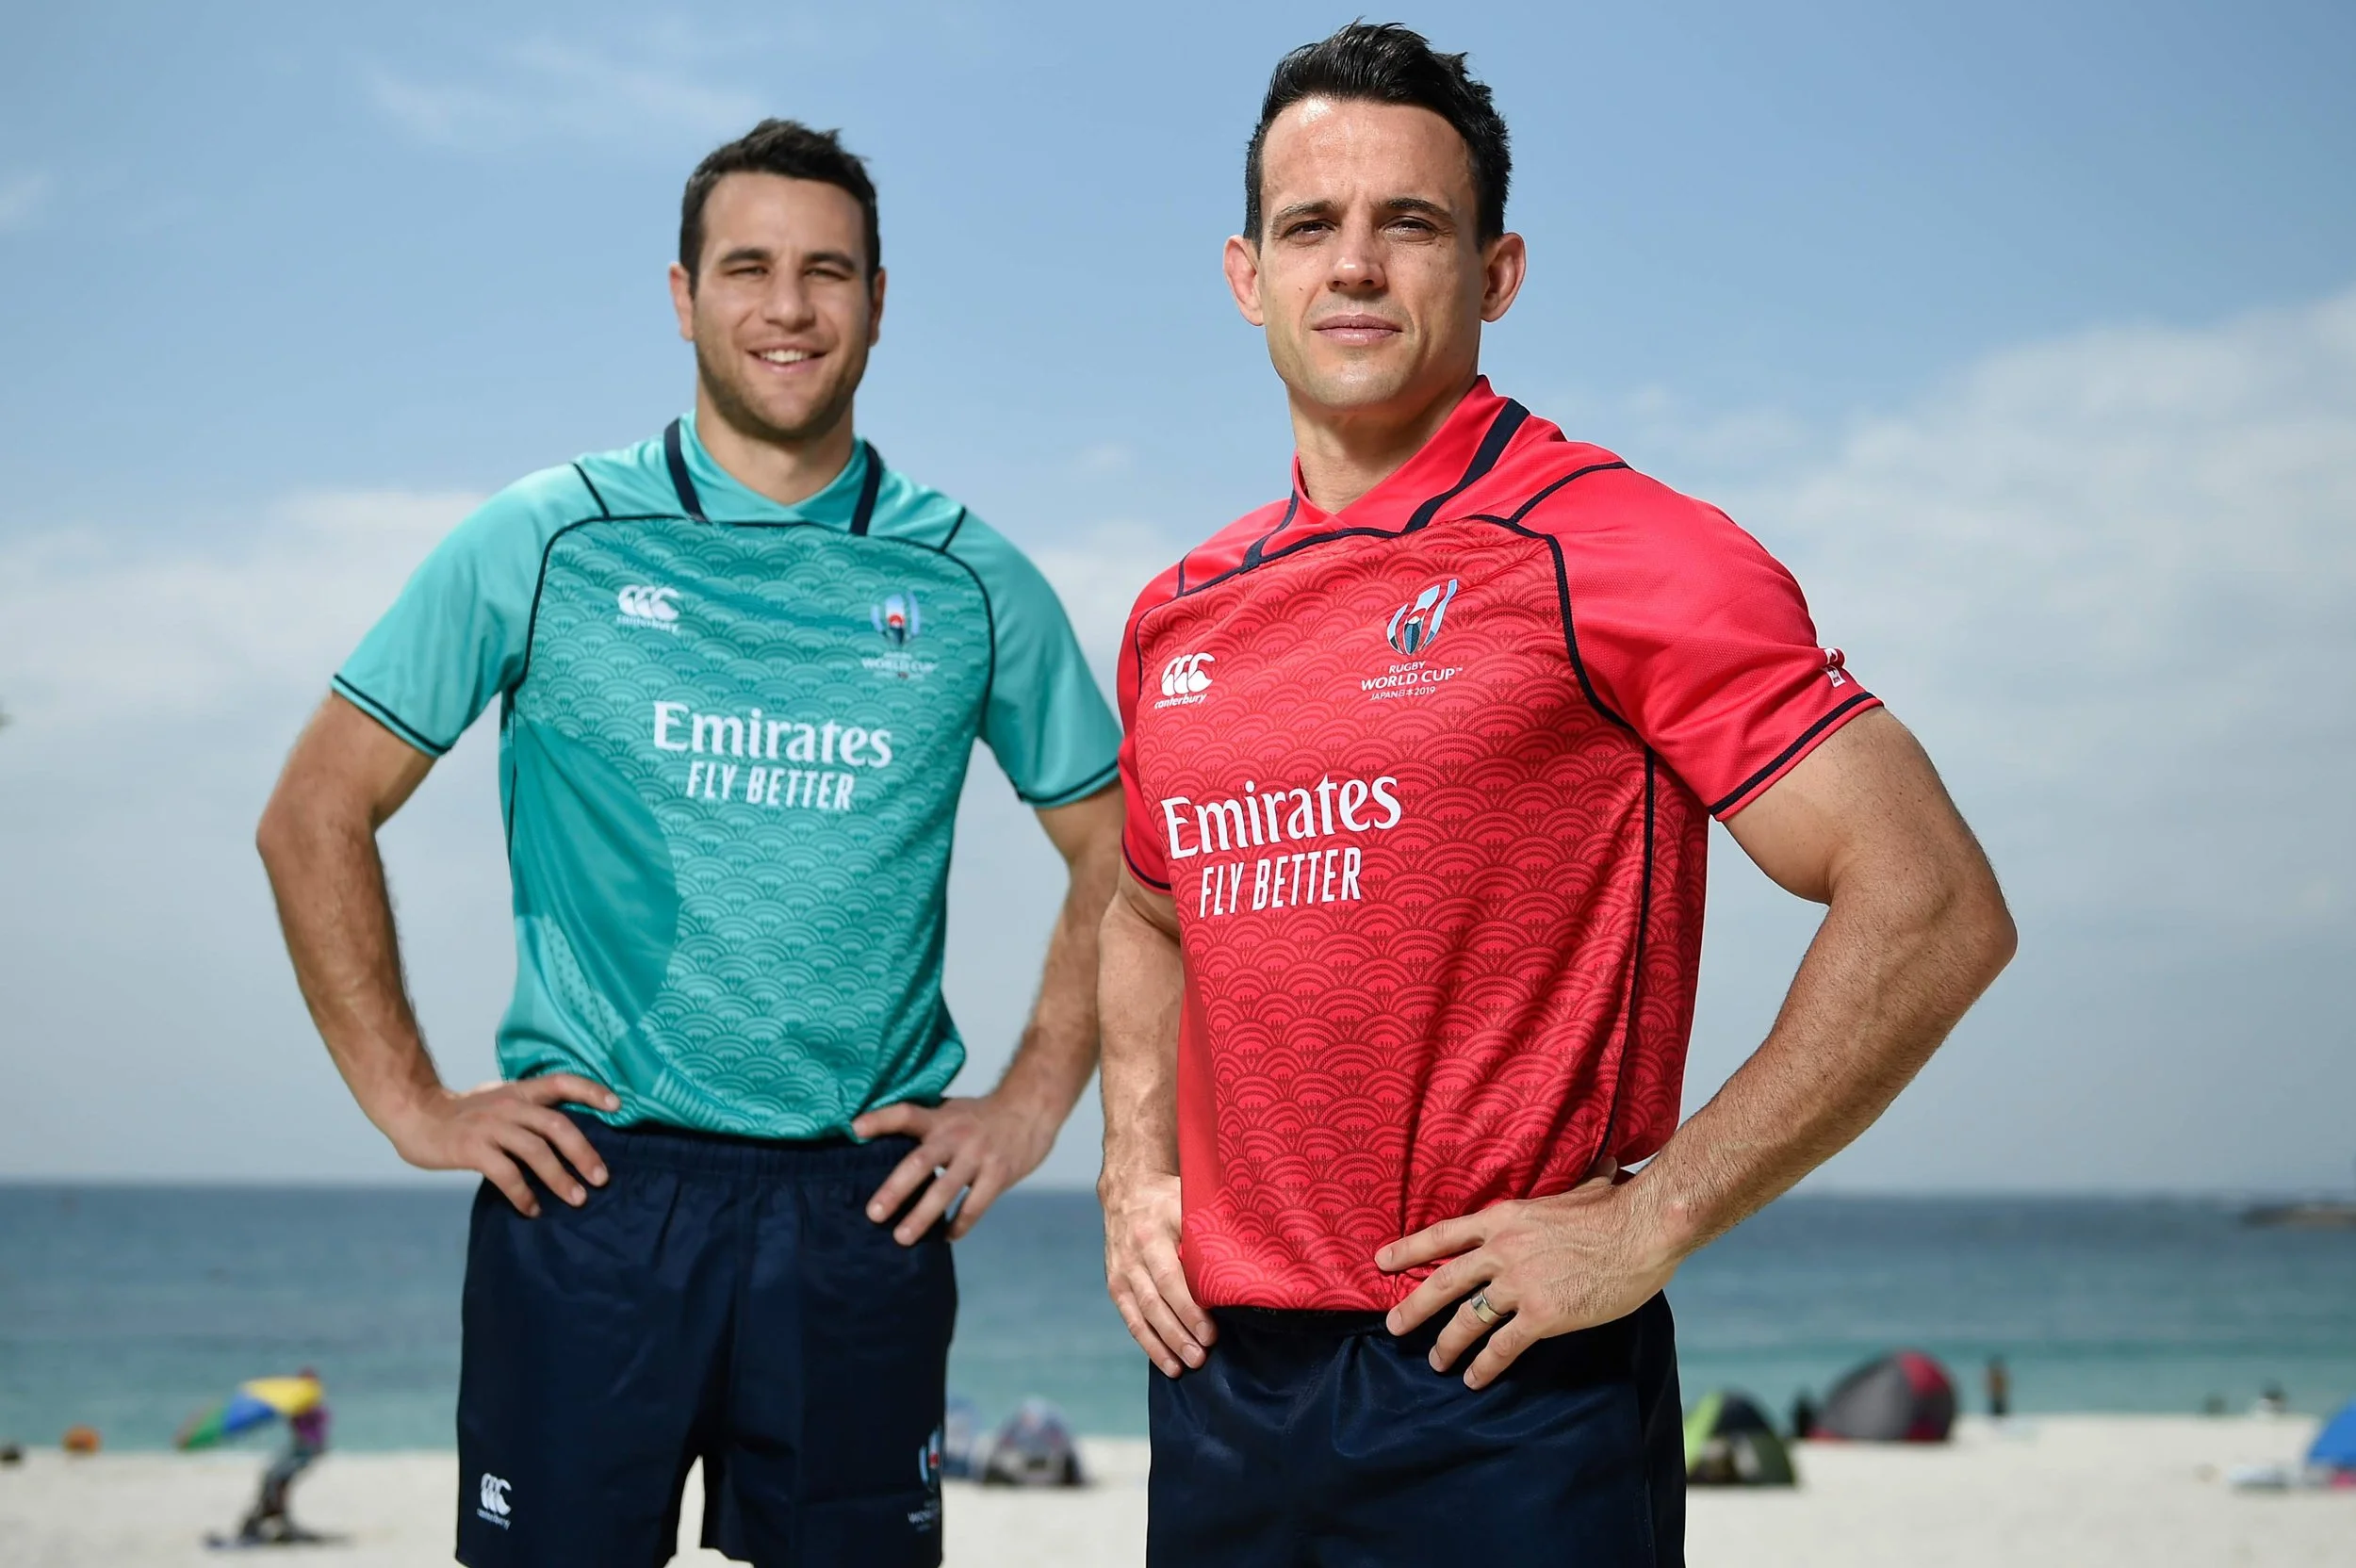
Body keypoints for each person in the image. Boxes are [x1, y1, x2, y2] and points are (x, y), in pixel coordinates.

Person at [1096, 24, 2016, 1567]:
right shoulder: (1178, 614)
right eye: (1311, 226)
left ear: (1497, 271)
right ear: (1248, 275)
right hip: (1220, 1394)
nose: (1355, 265)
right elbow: (1141, 911)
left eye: (1411, 223)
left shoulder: (1622, 549)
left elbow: (1931, 900)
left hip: (1503, 1382)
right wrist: (1136, 1169)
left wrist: (1655, 1218)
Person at [257, 119, 1122, 1568]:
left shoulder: (971, 579)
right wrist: (412, 1104)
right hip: (591, 1196)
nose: (789, 307)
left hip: (862, 1206)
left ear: (878, 302)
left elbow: (1124, 851)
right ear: (682, 295)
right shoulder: (547, 537)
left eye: (826, 271)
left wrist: (1034, 1102)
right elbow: (312, 812)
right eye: (748, 268)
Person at [237, 1371, 330, 1544]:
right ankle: (273, 1514)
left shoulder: (314, 1409)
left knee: (276, 1478)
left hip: (305, 1450)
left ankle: (273, 1516)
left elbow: (316, 1433)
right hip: (300, 1449)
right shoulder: (302, 1407)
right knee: (274, 1478)